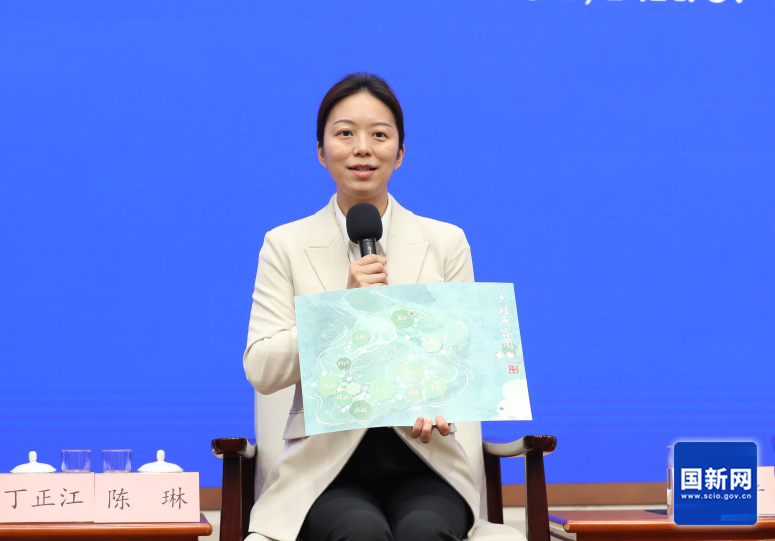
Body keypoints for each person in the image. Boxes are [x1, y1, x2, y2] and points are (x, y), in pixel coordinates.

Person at [243, 73, 479, 541]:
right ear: (321, 151)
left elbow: (467, 360)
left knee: (424, 532)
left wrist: (445, 397)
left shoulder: (445, 242)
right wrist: (341, 310)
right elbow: (262, 368)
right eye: (345, 133)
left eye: (380, 135)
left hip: (427, 459)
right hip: (323, 467)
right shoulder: (285, 244)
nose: (363, 148)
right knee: (360, 532)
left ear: (400, 152)